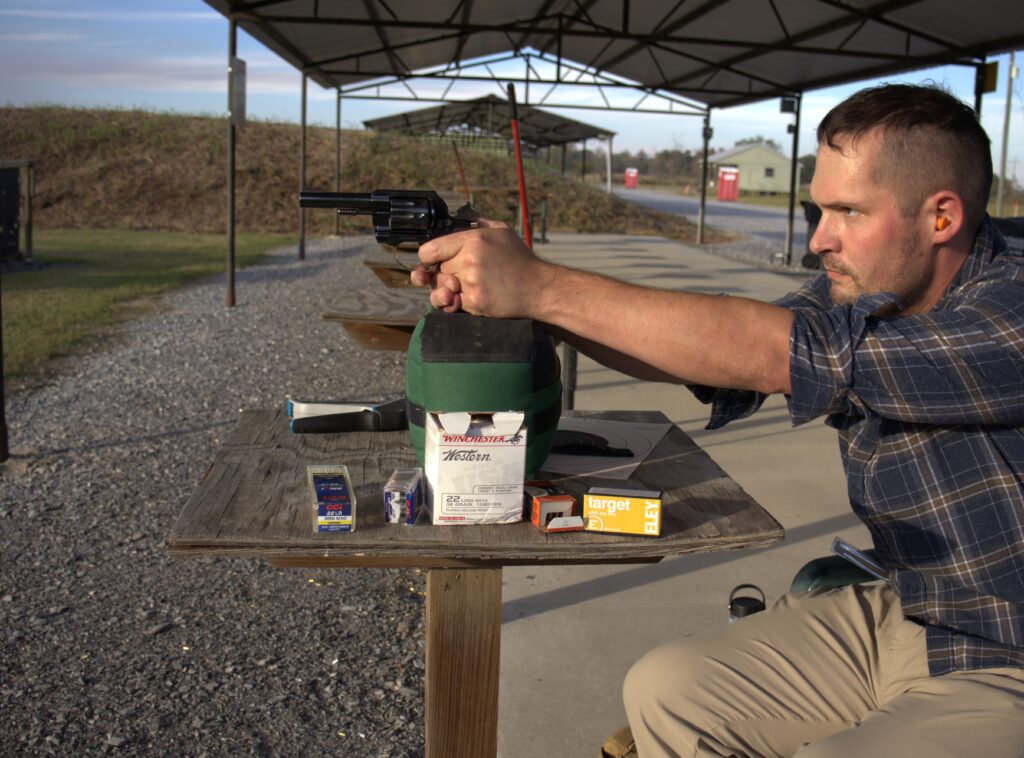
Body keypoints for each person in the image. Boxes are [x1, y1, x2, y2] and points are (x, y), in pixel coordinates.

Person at [411, 83, 1024, 755]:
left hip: (1008, 644)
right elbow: (712, 354)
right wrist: (526, 301)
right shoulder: (870, 288)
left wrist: (538, 285)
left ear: (941, 218)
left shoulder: (1011, 310)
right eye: (817, 209)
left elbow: (774, 354)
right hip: (914, 608)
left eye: (848, 211)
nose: (819, 239)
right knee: (664, 687)